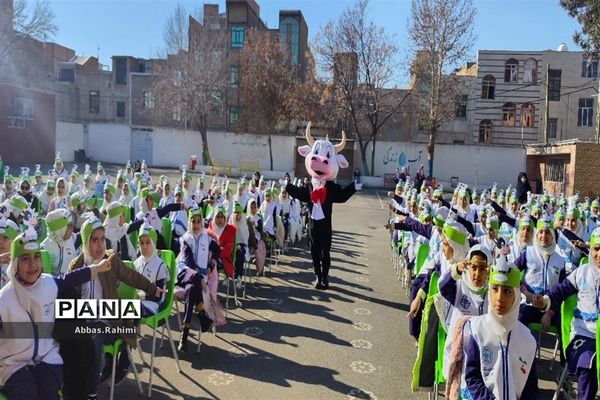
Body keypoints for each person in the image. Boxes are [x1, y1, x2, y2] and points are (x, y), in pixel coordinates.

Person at [0, 231, 112, 400]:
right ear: (15, 264)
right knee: (25, 394)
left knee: (49, 393)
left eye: (36, 257)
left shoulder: (48, 283)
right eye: (25, 258)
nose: (32, 264)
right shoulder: (4, 299)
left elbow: (70, 278)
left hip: (47, 358)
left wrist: (97, 269)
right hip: (14, 364)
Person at [68, 216, 162, 396]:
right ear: (86, 242)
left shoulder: (110, 259)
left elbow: (131, 276)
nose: (100, 245)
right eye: (94, 240)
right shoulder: (76, 265)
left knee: (93, 337)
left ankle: (92, 393)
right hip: (84, 320)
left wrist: (152, 288)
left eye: (102, 239)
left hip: (109, 322)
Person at [445, 256, 538, 399]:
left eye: (507, 291)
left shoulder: (527, 340)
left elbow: (530, 387)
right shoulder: (476, 330)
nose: (499, 298)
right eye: (495, 289)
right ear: (489, 291)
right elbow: (472, 377)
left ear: (516, 296)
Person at [534, 227, 600, 400]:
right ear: (591, 249)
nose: (599, 254)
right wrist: (545, 300)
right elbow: (561, 290)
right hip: (584, 334)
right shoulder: (582, 273)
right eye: (597, 249)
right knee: (588, 363)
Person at [438, 245, 491, 380]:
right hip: (459, 352)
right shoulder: (459, 288)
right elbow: (443, 287)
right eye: (474, 267)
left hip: (483, 353)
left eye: (482, 269)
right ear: (468, 266)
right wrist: (456, 270)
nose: (477, 274)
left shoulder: (492, 292)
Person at [175, 207, 221, 352]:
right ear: (189, 222)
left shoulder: (206, 238)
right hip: (184, 273)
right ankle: (202, 316)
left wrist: (211, 264)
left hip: (196, 280)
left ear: (201, 222)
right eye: (193, 221)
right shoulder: (185, 239)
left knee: (191, 289)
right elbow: (189, 262)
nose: (195, 225)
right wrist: (201, 279)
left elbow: (217, 250)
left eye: (198, 221)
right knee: (194, 279)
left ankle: (184, 335)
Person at [134, 224, 169, 317]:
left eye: (148, 242)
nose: (144, 246)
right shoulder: (136, 263)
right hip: (135, 302)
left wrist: (140, 296)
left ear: (153, 243)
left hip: (151, 306)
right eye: (141, 243)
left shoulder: (160, 266)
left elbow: (159, 297)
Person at [41, 209, 77, 276]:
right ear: (60, 229)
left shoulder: (73, 238)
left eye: (72, 226)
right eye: (69, 226)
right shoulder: (44, 248)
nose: (72, 229)